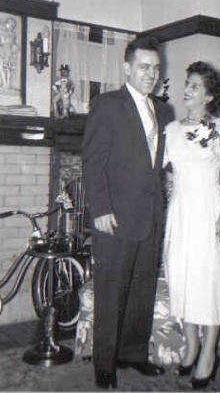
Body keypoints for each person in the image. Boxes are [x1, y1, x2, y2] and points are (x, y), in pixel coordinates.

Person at [82, 36, 174, 389]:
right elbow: (93, 161)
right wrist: (100, 209)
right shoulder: (107, 105)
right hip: (115, 217)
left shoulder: (164, 111)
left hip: (150, 215)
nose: (151, 74)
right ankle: (104, 363)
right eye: (143, 67)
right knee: (111, 290)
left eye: (156, 68)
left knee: (142, 288)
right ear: (127, 68)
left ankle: (133, 354)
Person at [163, 61, 220, 389]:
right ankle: (192, 346)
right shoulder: (171, 130)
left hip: (211, 210)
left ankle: (209, 354)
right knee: (183, 279)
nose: (187, 90)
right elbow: (159, 167)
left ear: (209, 96)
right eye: (187, 83)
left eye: (195, 86)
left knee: (209, 282)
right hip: (181, 211)